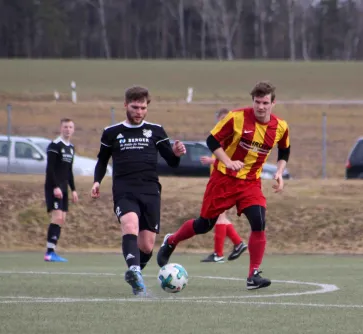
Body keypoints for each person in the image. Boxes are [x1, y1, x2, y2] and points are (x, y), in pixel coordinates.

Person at [157, 81, 290, 290]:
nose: (261, 107)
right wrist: (227, 162)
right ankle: (172, 240)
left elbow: (284, 151)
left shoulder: (280, 126)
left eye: (265, 103)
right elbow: (211, 141)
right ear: (252, 101)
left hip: (251, 183)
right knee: (204, 225)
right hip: (223, 180)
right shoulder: (237, 118)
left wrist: (280, 172)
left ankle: (253, 275)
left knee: (259, 221)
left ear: (273, 103)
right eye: (257, 102)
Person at [91, 86, 186, 295]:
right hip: (124, 190)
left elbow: (172, 162)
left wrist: (177, 153)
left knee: (147, 246)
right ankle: (133, 269)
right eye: (135, 107)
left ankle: (136, 276)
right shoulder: (112, 133)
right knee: (129, 223)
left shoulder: (156, 131)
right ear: (126, 105)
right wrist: (97, 181)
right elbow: (101, 161)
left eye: (143, 108)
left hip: (150, 191)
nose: (139, 112)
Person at [200, 107, 247, 263]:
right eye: (220, 120)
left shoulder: (234, 138)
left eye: (225, 120)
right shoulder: (218, 136)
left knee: (219, 216)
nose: (223, 123)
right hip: (217, 179)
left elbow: (233, 159)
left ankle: (218, 253)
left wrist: (212, 161)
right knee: (221, 217)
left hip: (226, 180)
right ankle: (238, 243)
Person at [44, 118, 79, 262]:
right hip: (54, 187)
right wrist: (56, 187)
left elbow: (69, 171)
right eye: (65, 127)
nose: (68, 129)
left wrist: (74, 190)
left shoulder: (70, 148)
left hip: (64, 188)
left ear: (73, 129)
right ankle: (49, 252)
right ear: (61, 128)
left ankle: (52, 251)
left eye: (70, 127)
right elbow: (50, 169)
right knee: (57, 217)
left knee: (62, 219)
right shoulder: (54, 145)